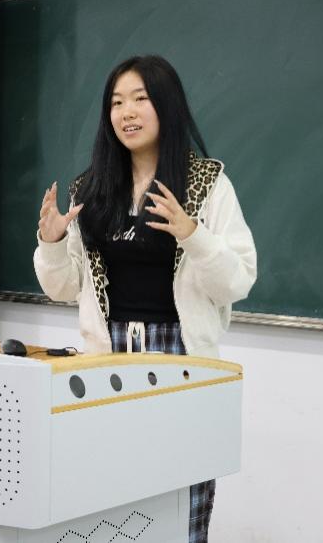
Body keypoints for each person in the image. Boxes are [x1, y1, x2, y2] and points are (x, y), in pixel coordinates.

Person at [33, 55, 257, 543]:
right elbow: (63, 288)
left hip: (180, 358)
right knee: (108, 506)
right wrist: (51, 242)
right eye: (116, 103)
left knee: (182, 501)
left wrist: (193, 234)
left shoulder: (206, 184)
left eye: (140, 99)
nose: (127, 112)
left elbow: (238, 281)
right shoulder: (91, 189)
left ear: (166, 106)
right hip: (107, 359)